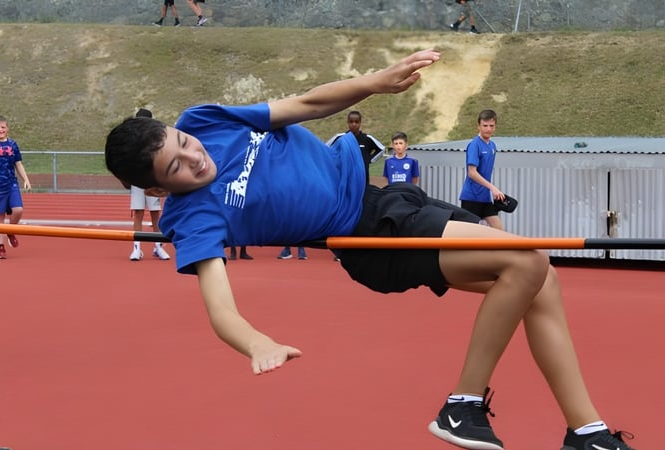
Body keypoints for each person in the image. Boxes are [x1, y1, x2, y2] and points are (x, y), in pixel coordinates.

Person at [104, 49, 634, 450]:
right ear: (156, 190)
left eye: (183, 144)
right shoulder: (193, 216)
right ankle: (462, 406)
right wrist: (255, 342)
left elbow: (308, 104)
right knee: (528, 260)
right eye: (176, 167)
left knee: (542, 279)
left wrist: (375, 85)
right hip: (370, 234)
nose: (193, 158)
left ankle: (585, 432)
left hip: (387, 198)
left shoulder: (204, 121)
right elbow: (218, 305)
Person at [0, 116, 31, 260]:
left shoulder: (13, 144)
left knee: (18, 210)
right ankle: (0, 248)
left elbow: (18, 164)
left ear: (7, 129)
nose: (0, 130)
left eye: (3, 127)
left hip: (11, 183)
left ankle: (10, 231)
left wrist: (26, 179)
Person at [129, 109, 171, 261]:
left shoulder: (156, 137)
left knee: (155, 215)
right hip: (137, 180)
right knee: (138, 213)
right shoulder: (131, 138)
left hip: (152, 179)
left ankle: (158, 247)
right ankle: (137, 249)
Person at [458, 109, 505, 231]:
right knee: (468, 235)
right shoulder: (474, 145)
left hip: (485, 198)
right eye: (485, 126)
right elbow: (472, 173)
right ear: (478, 126)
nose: (488, 129)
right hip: (471, 198)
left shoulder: (492, 146)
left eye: (491, 126)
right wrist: (493, 188)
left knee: (499, 230)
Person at [326, 110, 386, 186]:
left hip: (362, 177)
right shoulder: (340, 138)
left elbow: (382, 149)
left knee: (363, 196)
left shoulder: (367, 138)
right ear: (347, 122)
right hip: (344, 177)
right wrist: (335, 162)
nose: (354, 124)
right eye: (351, 122)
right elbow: (326, 148)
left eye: (356, 122)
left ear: (360, 123)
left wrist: (369, 159)